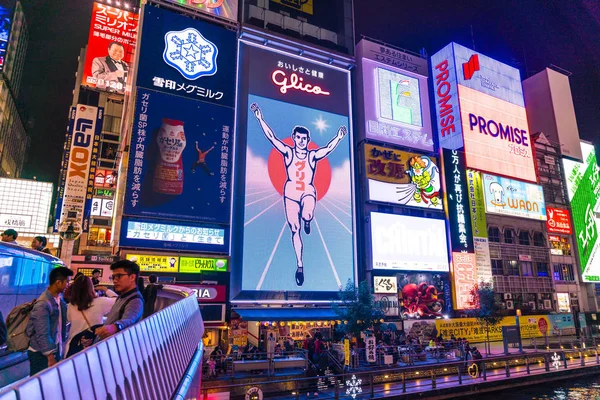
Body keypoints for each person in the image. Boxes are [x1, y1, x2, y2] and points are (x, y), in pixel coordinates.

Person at [251, 102, 348, 286]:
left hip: (308, 191)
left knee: (308, 213)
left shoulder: (312, 155)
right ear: (294, 138)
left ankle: (308, 220)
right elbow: (272, 138)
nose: (302, 141)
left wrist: (339, 137)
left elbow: (327, 149)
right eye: (299, 138)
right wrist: (260, 118)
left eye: (305, 138)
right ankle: (300, 265)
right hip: (291, 193)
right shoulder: (288, 152)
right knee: (295, 229)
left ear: (308, 139)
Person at [25, 266, 73, 375]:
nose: (68, 285)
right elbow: (42, 333)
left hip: (53, 350)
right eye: (67, 282)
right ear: (58, 282)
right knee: (39, 387)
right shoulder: (43, 303)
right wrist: (50, 355)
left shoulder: (59, 300)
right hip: (41, 354)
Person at [65, 275, 116, 357]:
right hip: (91, 348)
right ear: (91, 288)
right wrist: (105, 289)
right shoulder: (100, 302)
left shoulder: (71, 305)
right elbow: (118, 301)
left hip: (73, 347)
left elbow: (69, 319)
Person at [95, 260, 143, 340]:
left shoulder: (135, 300)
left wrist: (115, 327)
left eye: (119, 276)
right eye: (113, 277)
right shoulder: (122, 296)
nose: (115, 280)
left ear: (132, 277)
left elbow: (128, 320)